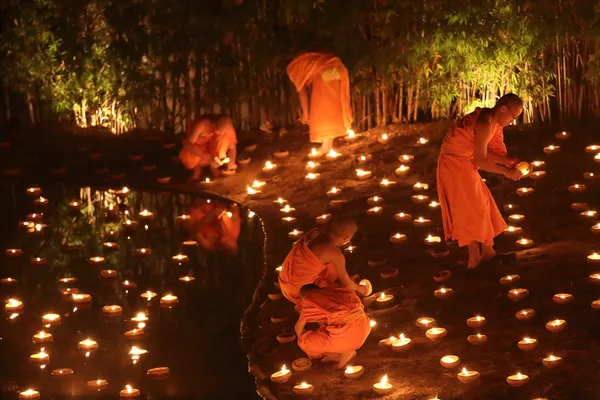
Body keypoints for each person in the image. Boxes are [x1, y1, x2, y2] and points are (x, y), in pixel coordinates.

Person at [437, 93, 524, 269]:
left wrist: (506, 160)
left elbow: (481, 148)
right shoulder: (485, 123)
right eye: (513, 117)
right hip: (454, 163)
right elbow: (480, 160)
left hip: (463, 160)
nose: (512, 121)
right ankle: (474, 259)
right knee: (469, 208)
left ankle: (488, 252)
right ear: (503, 109)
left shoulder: (488, 116)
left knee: (483, 202)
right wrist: (506, 172)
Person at [278, 219, 368, 309]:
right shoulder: (335, 253)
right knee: (348, 301)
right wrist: (360, 288)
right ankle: (306, 307)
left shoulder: (316, 233)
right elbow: (347, 285)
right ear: (346, 238)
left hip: (285, 281)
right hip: (299, 290)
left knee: (333, 267)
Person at [287, 52, 353, 156]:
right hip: (338, 68)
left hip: (327, 71)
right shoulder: (304, 62)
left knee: (323, 108)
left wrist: (305, 114)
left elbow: (302, 93)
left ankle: (326, 147)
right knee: (332, 105)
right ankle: (327, 144)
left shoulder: (293, 71)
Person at [295, 284, 371, 369]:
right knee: (325, 328)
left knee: (304, 341)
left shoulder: (310, 300)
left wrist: (303, 342)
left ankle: (345, 352)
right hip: (364, 329)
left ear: (305, 297)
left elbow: (298, 327)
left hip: (348, 337)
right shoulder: (338, 291)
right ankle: (337, 352)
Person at [178, 115, 238, 180]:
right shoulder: (202, 125)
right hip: (199, 153)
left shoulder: (228, 127)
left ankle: (214, 167)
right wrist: (207, 158)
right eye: (219, 131)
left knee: (224, 138)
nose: (221, 133)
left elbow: (232, 148)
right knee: (187, 157)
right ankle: (197, 169)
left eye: (224, 131)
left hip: (213, 152)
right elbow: (187, 144)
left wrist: (232, 161)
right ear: (214, 125)